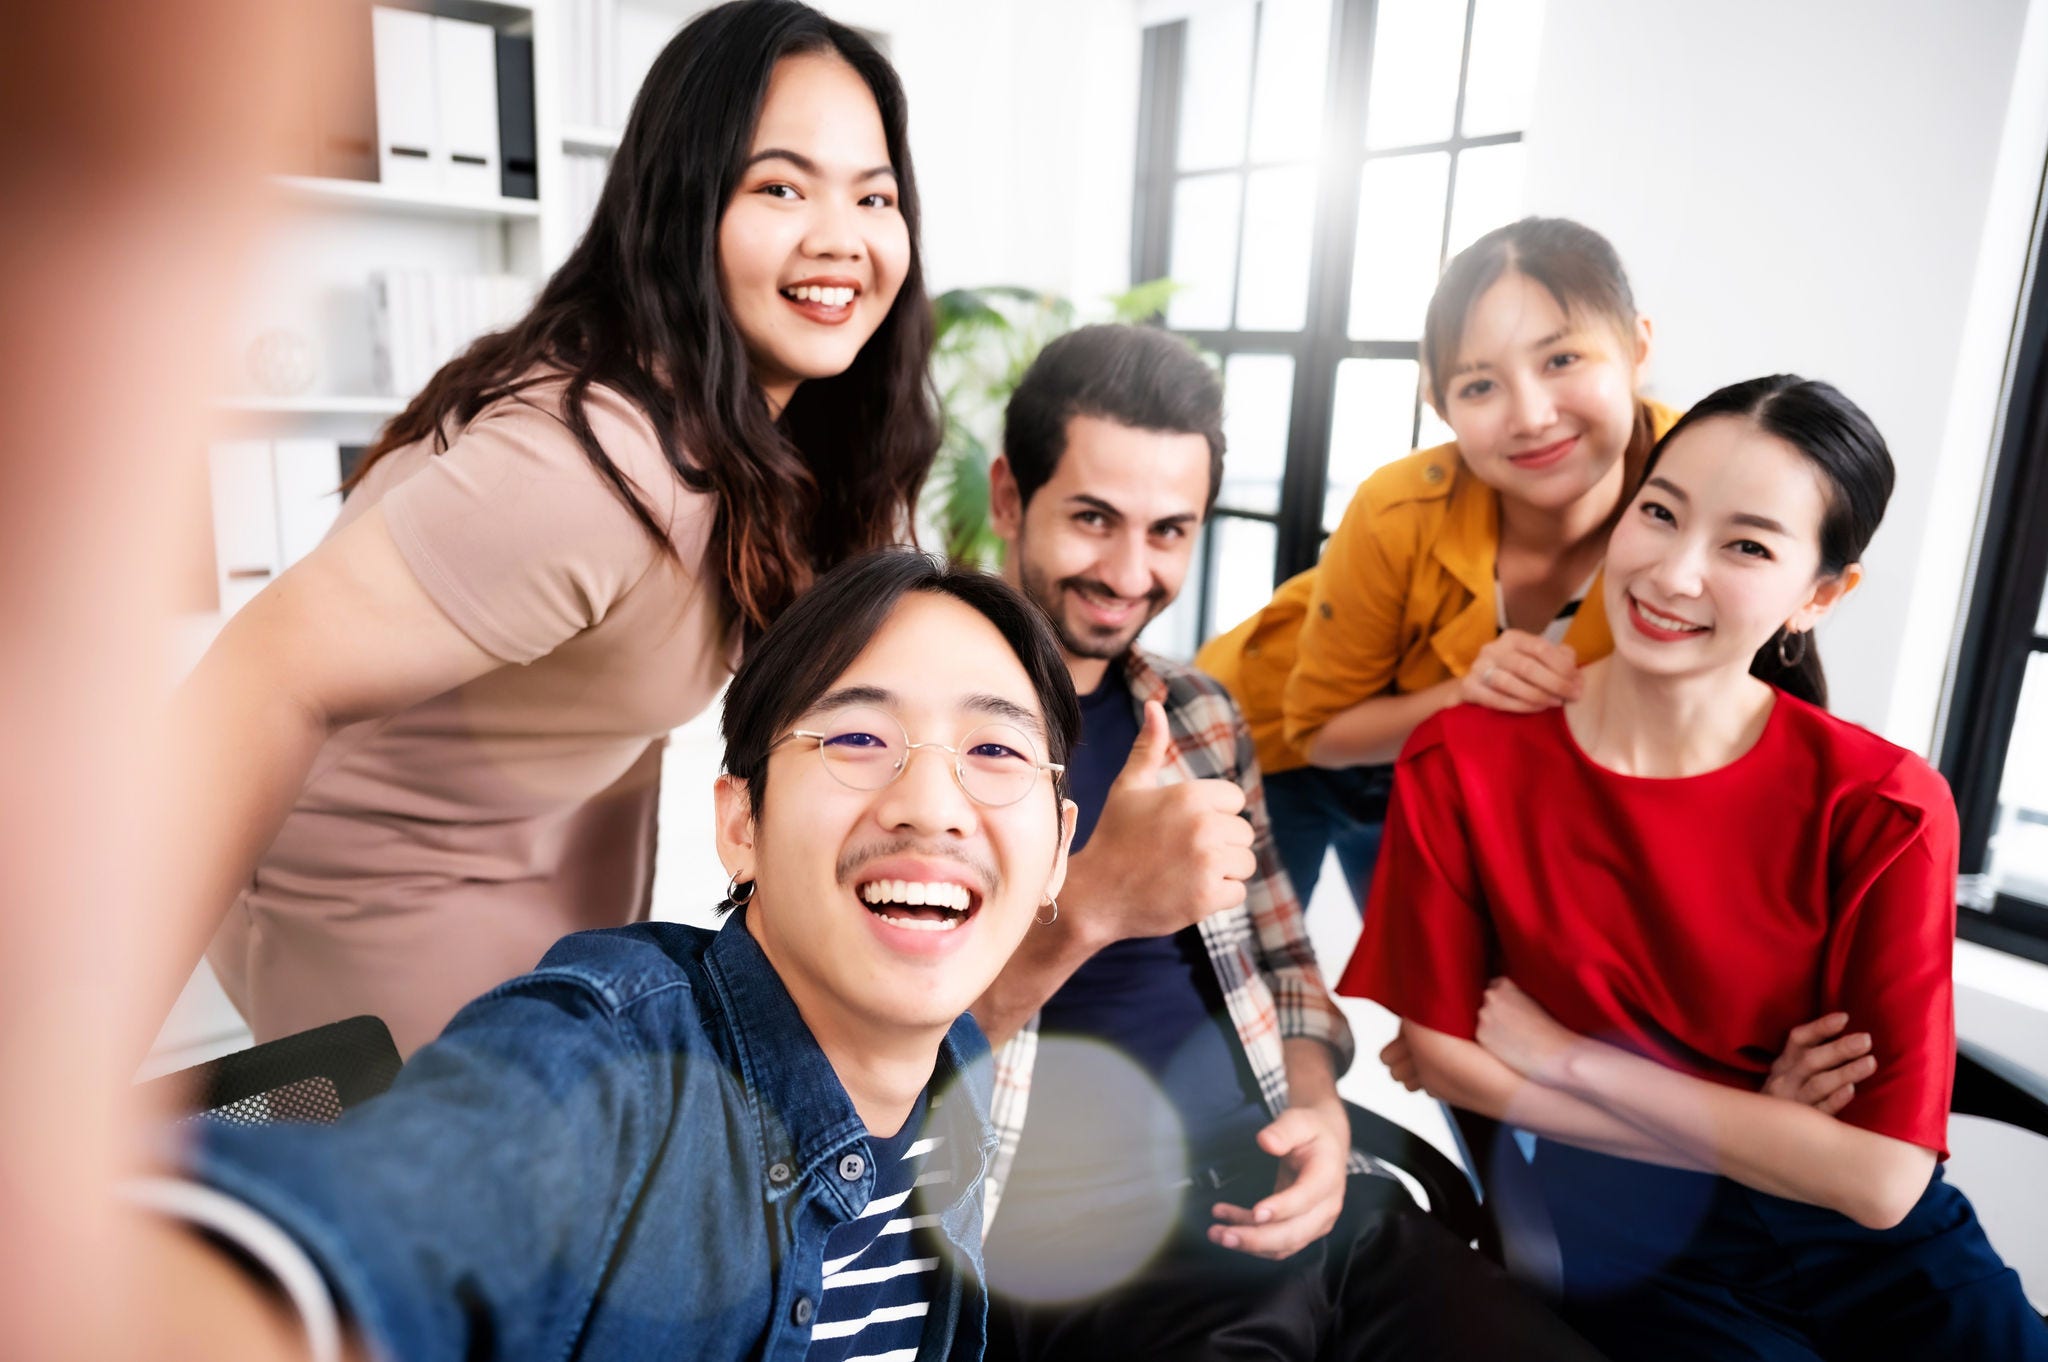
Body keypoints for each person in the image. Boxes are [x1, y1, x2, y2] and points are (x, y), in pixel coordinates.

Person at [167, 0, 939, 1056]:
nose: (840, 239)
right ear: (682, 208)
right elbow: (256, 676)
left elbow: (618, 725)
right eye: (778, 186)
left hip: (533, 883)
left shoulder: (761, 438)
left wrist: (622, 958)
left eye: (873, 194)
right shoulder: (594, 468)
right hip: (377, 907)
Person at [122, 550, 1081, 1361]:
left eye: (995, 751)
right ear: (741, 821)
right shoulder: (612, 1070)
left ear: (1055, 848)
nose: (931, 802)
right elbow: (395, 1209)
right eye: (860, 736)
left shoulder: (953, 1067)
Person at [1342, 376, 2048, 1360]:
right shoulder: (1462, 759)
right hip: (1631, 1247)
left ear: (1819, 594)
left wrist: (1571, 1063)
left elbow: (1881, 1185)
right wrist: (1763, 1126)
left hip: (1885, 1263)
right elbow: (1445, 1058)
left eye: (1745, 545)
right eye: (1658, 513)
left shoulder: (1881, 803)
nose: (1673, 573)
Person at [972, 324, 1603, 1361]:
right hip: (1090, 1250)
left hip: (1296, 1199)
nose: (1130, 573)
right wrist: (1088, 905)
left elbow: (1284, 970)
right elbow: (862, 1056)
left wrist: (1318, 1111)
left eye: (1169, 531)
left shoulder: (1200, 716)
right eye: (1092, 519)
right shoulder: (918, 726)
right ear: (1008, 497)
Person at [1197, 217, 1679, 913]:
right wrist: (1466, 694)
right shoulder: (1397, 507)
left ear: (1636, 347)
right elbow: (1319, 732)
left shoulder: (1698, 486)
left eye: (1562, 360)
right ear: (1440, 405)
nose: (1533, 416)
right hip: (1279, 750)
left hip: (1448, 771)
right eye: (1481, 385)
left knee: (1435, 986)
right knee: (1234, 990)